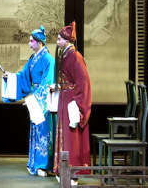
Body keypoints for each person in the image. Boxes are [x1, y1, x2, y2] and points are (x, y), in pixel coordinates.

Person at [2, 25, 55, 177]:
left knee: (44, 131)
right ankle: (36, 163)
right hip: (35, 97)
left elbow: (47, 82)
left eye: (31, 41)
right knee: (36, 131)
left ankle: (44, 165)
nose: (29, 43)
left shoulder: (48, 59)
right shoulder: (33, 59)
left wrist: (36, 99)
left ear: (39, 42)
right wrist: (10, 76)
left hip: (44, 100)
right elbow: (23, 76)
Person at [52, 21, 92, 185]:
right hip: (64, 98)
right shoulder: (65, 55)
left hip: (72, 101)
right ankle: (62, 170)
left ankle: (73, 173)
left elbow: (84, 83)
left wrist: (78, 104)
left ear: (67, 40)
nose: (57, 42)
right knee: (64, 135)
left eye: (59, 39)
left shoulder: (75, 56)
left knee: (71, 137)